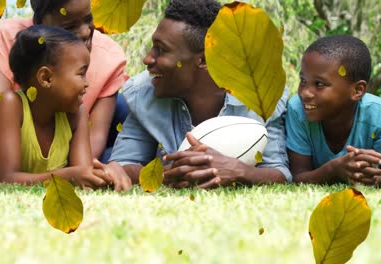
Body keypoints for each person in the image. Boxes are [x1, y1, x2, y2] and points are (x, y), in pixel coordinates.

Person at [95, 0, 291, 189]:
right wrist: (168, 174)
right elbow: (122, 164)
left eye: (161, 50)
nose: (147, 58)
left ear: (204, 60)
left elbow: (279, 172)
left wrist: (240, 172)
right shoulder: (144, 92)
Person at [0, 0, 129, 161]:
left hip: (73, 148)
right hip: (20, 149)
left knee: (113, 156)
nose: (85, 32)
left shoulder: (110, 57)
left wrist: (77, 168)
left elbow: (95, 139)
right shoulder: (12, 37)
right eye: (69, 26)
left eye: (89, 18)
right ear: (40, 23)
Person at [0, 25, 131, 192]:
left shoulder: (77, 115)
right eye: (81, 74)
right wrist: (69, 176)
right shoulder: (9, 105)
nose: (87, 83)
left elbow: (84, 175)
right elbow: (5, 179)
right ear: (46, 78)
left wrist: (108, 172)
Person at [286, 35, 381, 187]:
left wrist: (377, 177)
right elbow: (297, 177)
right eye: (303, 81)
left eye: (319, 84)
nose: (305, 93)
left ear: (357, 90)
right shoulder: (297, 110)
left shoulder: (377, 116)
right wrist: (333, 169)